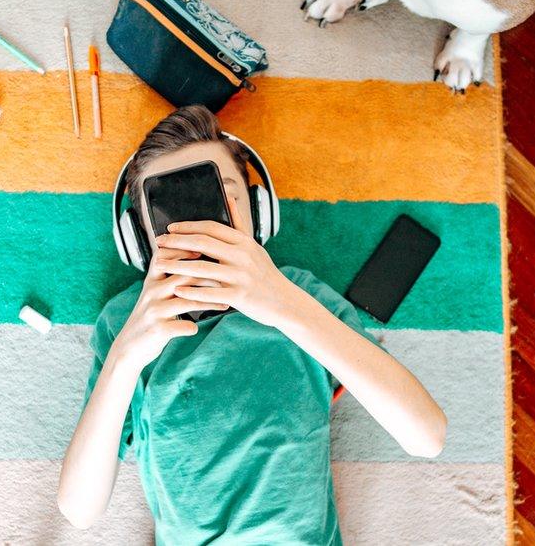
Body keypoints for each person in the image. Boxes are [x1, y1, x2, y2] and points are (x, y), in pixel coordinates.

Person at [57, 105, 446, 544]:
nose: (200, 228)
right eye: (170, 209)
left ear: (259, 214)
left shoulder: (300, 295)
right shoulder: (128, 321)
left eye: (217, 196)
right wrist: (125, 357)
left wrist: (283, 305)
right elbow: (80, 510)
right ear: (140, 242)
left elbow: (427, 436)